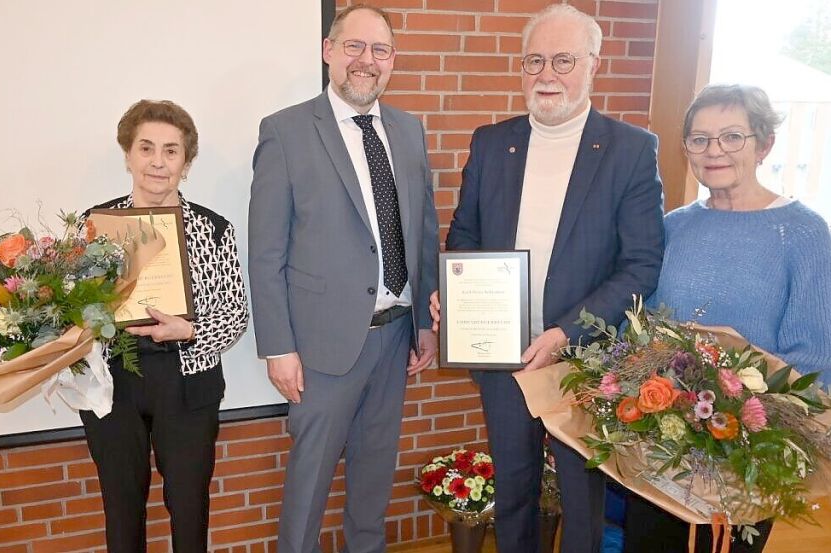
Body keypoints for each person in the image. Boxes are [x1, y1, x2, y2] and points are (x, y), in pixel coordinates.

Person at [432, 5, 665, 552]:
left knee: (583, 499)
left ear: (592, 64)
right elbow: (464, 235)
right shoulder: (492, 142)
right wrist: (457, 291)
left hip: (582, 361)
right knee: (513, 489)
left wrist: (565, 333)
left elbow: (641, 266)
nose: (546, 74)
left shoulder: (631, 150)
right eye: (534, 60)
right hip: (504, 359)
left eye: (563, 59)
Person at [247, 4, 438, 553]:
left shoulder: (407, 130)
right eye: (354, 46)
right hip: (321, 350)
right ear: (329, 51)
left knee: (373, 487)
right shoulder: (285, 131)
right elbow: (266, 252)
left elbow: (422, 230)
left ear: (393, 61)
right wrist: (277, 347)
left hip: (395, 337)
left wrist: (425, 322)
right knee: (308, 490)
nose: (366, 61)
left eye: (379, 50)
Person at [622, 84, 831, 553]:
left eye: (732, 137)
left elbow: (814, 355)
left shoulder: (803, 232)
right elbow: (643, 323)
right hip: (660, 439)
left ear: (764, 145)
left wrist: (747, 424)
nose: (713, 151)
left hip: (748, 446)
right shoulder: (674, 225)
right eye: (699, 139)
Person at [78, 99, 249, 553]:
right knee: (121, 503)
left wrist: (189, 331)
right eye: (147, 148)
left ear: (186, 163)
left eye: (171, 151)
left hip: (188, 379)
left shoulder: (214, 229)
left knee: (190, 505)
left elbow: (236, 314)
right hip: (115, 380)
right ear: (128, 155)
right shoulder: (95, 226)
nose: (158, 161)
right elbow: (74, 308)